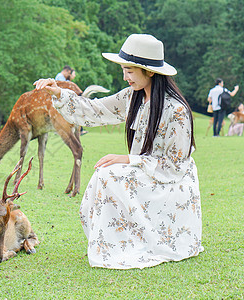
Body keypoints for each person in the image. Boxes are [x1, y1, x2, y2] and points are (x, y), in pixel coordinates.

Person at [34, 34, 203, 269]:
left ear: (150, 71)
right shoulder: (131, 97)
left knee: (110, 174)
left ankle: (128, 242)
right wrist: (59, 93)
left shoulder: (177, 110)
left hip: (171, 184)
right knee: (104, 174)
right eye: (124, 70)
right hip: (146, 173)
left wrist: (128, 159)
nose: (125, 77)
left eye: (130, 71)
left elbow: (175, 166)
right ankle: (115, 243)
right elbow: (95, 110)